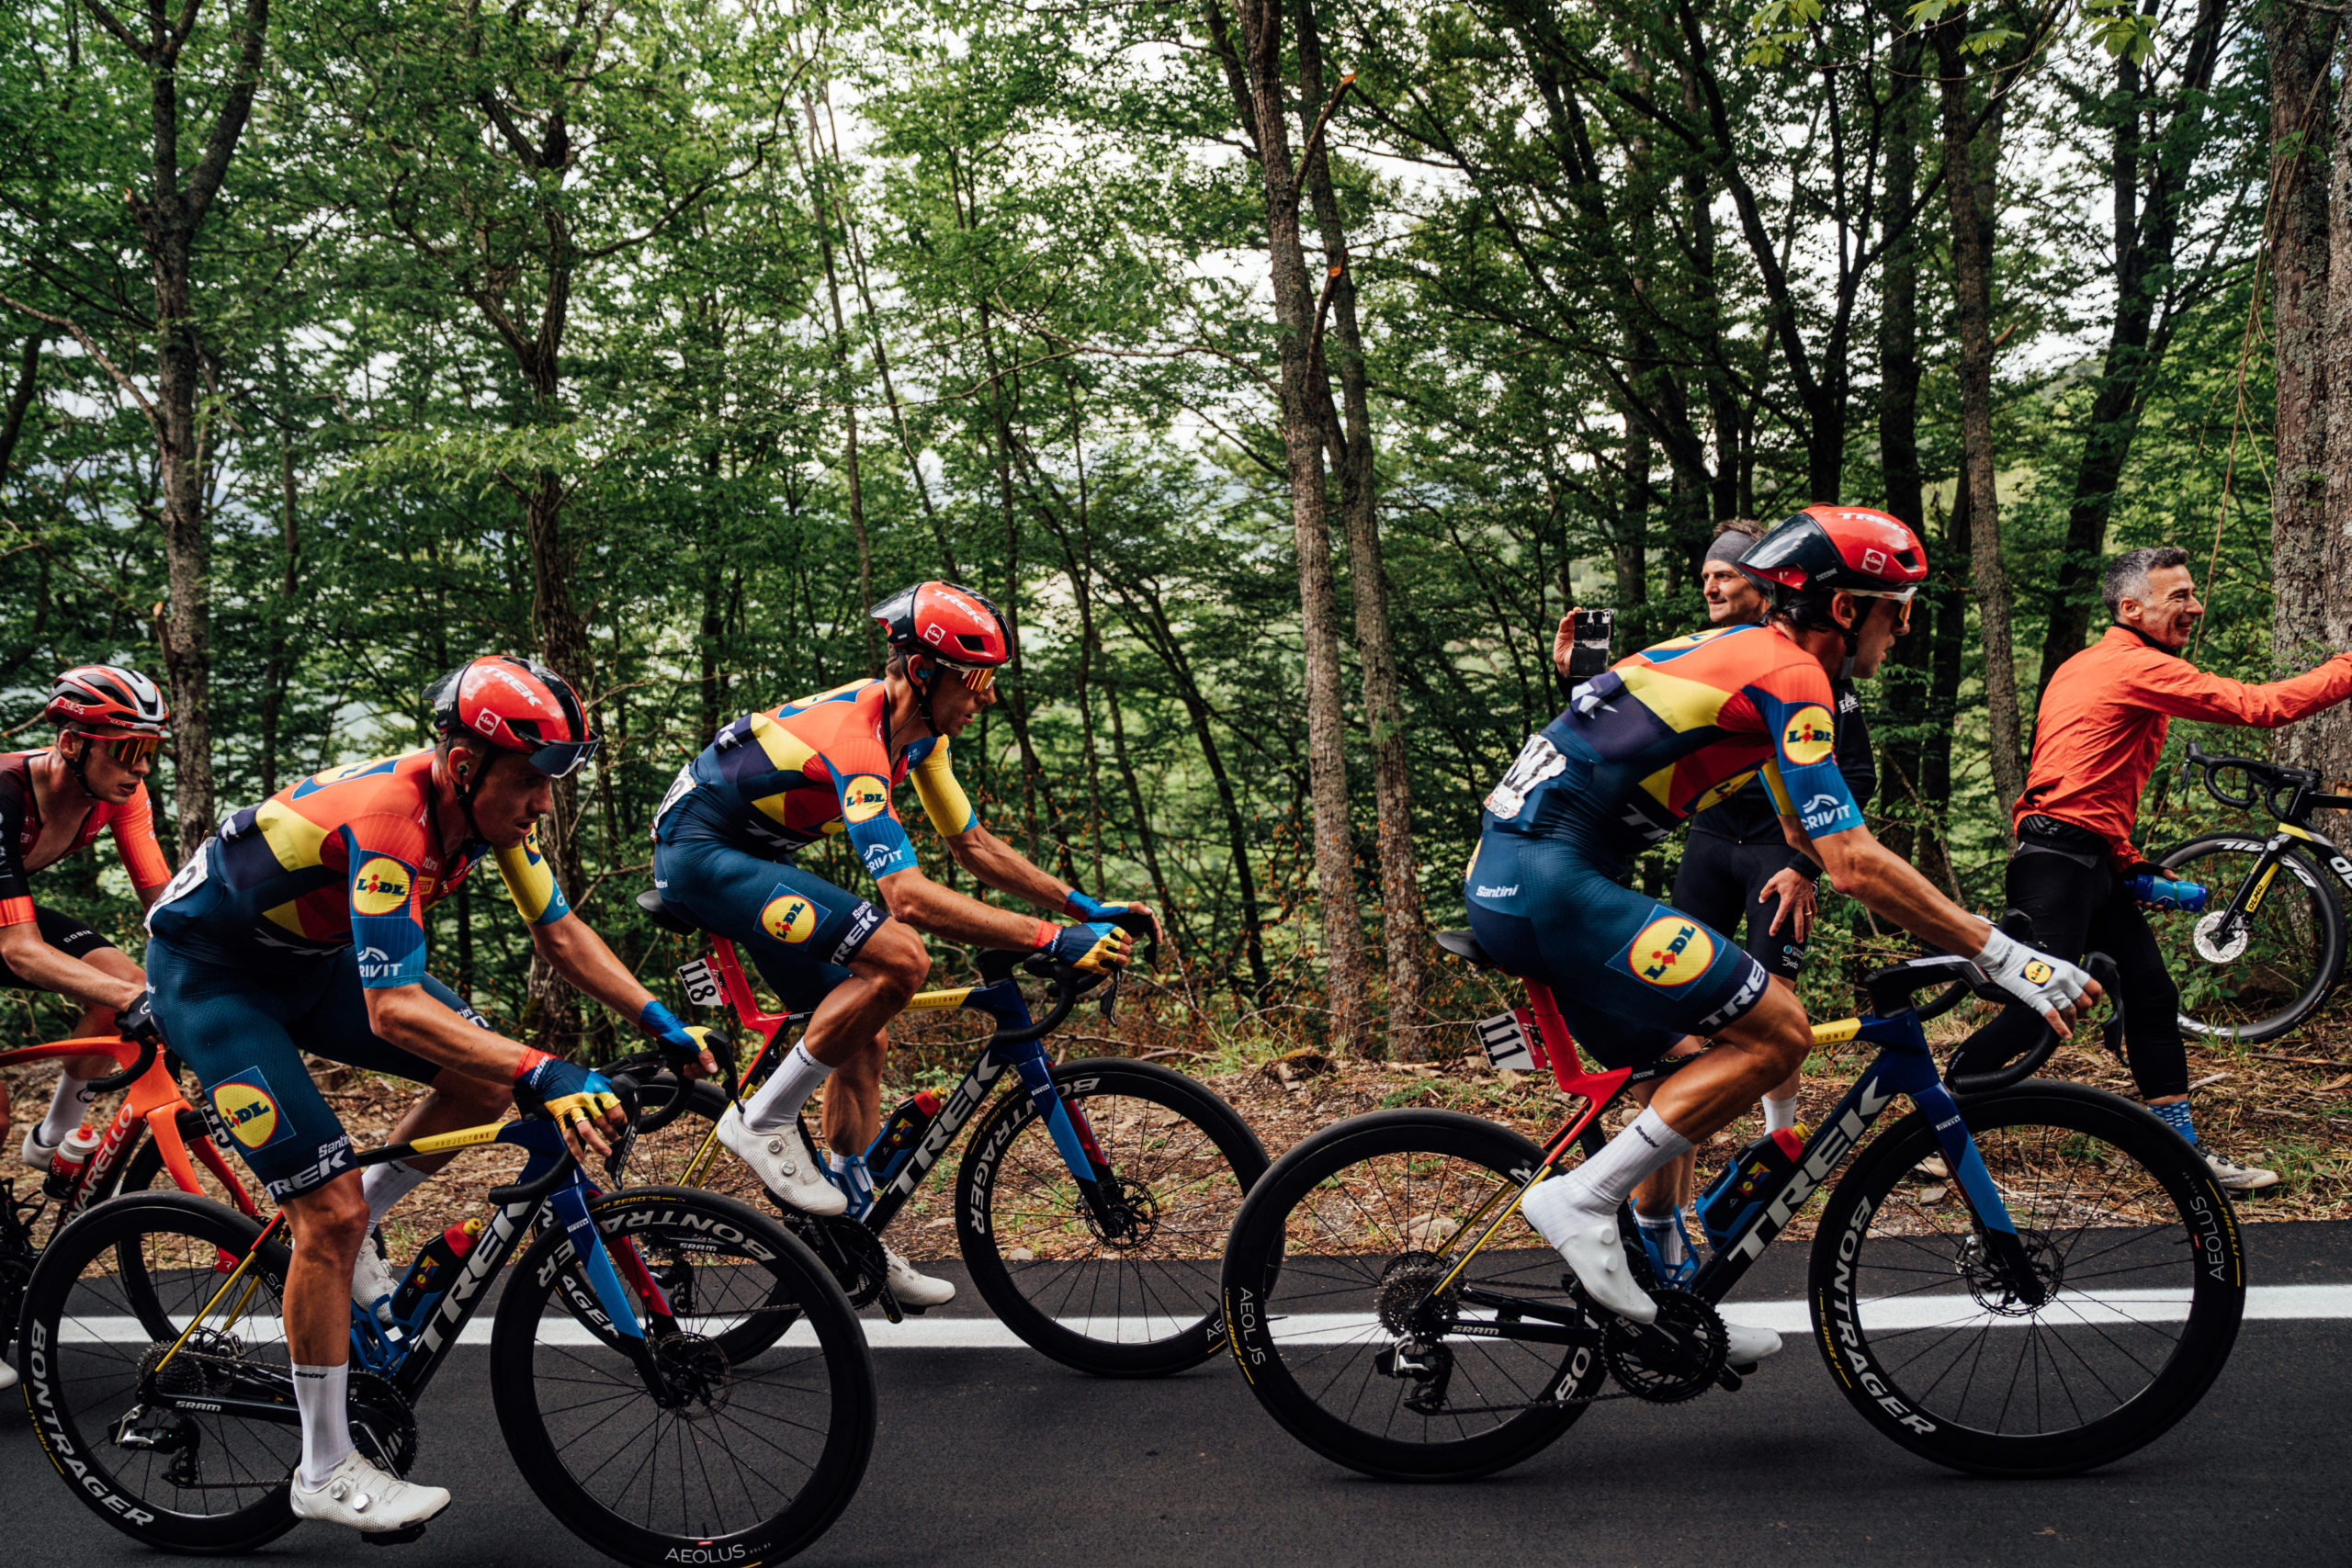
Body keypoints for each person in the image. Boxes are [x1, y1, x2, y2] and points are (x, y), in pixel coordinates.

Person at [1472, 505, 2099, 1367]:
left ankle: (1671, 1299)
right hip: (1550, 883)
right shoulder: (1794, 673)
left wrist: (1947, 927)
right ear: (1844, 608)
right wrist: (2002, 953)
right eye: (1897, 609)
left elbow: (1808, 831)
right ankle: (1580, 1201)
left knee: (1685, 1066)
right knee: (1780, 1032)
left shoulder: (1750, 660)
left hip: (1522, 875)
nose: (1903, 630)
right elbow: (1854, 863)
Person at [143, 654, 718, 1536]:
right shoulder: (392, 820)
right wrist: (544, 1069)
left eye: (550, 781)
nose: (542, 802)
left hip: (306, 961)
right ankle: (323, 1468)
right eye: (529, 780)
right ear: (463, 765)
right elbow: (393, 1008)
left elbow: (561, 932)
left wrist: (660, 1021)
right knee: (329, 1212)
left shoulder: (489, 813)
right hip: (212, 979)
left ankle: (355, 1236)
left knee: (483, 1079)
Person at [650, 581, 1158, 1308]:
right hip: (697, 853)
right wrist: (1050, 937)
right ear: (922, 671)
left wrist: (1081, 905)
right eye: (976, 680)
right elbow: (909, 899)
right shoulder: (858, 739)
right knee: (901, 956)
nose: (987, 697)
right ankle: (760, 1119)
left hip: (755, 855)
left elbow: (973, 843)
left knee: (865, 1033)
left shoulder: (921, 739)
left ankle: (849, 1231)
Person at [1949, 546, 2352, 1191]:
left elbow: (2077, 775)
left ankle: (2180, 1151)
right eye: (2179, 597)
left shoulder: (2090, 663)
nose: (2195, 606)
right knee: (2033, 1009)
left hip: (2085, 859)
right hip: (2061, 862)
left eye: (2193, 592)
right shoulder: (2134, 665)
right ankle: (1934, 1126)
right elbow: (2262, 706)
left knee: (2152, 995)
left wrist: (2127, 863)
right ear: (2131, 608)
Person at [1583, 523, 1878, 1282]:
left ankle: (1779, 1139)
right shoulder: (1705, 655)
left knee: (1774, 997)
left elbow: (1856, 776)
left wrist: (1808, 866)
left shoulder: (1814, 670)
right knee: (1681, 1013)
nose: (1711, 586)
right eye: (1705, 576)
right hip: (1711, 845)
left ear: (1765, 583)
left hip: (1778, 851)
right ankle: (1662, 1188)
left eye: (1724, 574)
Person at [0, 664, 176, 1393]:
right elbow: (18, 949)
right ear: (73, 743)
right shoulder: (6, 790)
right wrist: (140, 998)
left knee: (120, 986)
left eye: (150, 752)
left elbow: (165, 908)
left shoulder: (120, 797)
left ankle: (50, 1139)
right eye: (127, 750)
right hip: (7, 932)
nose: (141, 769)